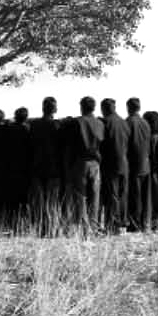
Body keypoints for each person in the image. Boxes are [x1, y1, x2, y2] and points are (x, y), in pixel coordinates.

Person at [67, 97, 104, 230]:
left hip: (81, 162)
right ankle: (94, 224)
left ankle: (83, 224)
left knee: (81, 195)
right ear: (94, 108)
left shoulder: (77, 122)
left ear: (82, 107)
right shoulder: (100, 123)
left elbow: (71, 144)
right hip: (95, 162)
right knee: (95, 195)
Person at [29, 97, 65, 213]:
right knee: (52, 202)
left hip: (37, 165)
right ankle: (50, 227)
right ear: (55, 110)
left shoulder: (34, 124)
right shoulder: (57, 125)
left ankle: (38, 225)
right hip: (53, 168)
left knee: (38, 202)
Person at [100, 98, 130, 232]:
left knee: (112, 195)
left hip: (110, 164)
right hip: (124, 163)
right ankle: (123, 224)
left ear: (104, 109)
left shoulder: (105, 122)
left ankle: (113, 225)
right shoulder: (124, 123)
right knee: (122, 195)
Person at [126, 98, 152, 231]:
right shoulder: (145, 123)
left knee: (135, 196)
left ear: (128, 107)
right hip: (146, 163)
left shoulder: (129, 122)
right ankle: (144, 223)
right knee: (144, 196)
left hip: (134, 164)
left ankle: (135, 224)